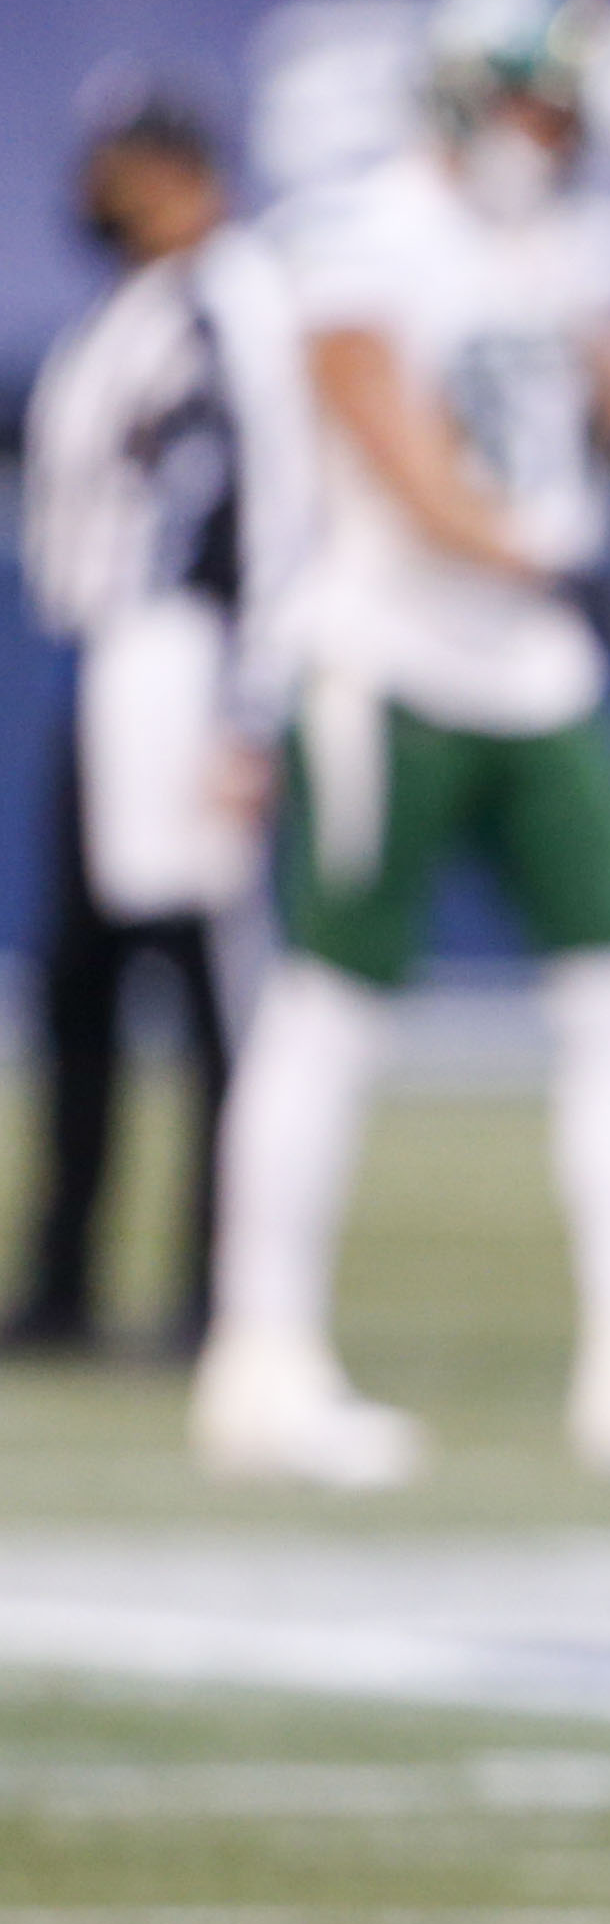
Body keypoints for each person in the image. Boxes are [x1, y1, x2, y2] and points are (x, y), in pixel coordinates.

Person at [193, 0, 610, 1488]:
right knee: (331, 1013)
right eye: (543, 101)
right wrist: (602, 589)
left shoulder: (541, 246)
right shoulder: (360, 235)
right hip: (382, 663)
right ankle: (261, 1363)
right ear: (471, 95)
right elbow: (398, 455)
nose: (560, 133)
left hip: (530, 674)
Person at [11, 73, 310, 1359]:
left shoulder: (237, 299)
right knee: (80, 983)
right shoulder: (132, 310)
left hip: (190, 667)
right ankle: (67, 1277)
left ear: (175, 168)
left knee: (207, 990)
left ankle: (224, 1290)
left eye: (118, 159)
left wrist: (255, 709)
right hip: (110, 663)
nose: (95, 182)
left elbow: (283, 510)